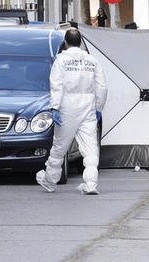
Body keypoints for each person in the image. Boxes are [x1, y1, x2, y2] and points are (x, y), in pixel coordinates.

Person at [37, 28, 108, 195]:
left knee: (60, 146)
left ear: (66, 43)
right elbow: (102, 87)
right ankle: (91, 183)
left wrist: (54, 108)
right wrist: (98, 107)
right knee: (90, 147)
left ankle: (50, 181)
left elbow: (56, 85)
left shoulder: (61, 61)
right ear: (81, 42)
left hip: (66, 107)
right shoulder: (92, 61)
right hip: (88, 106)